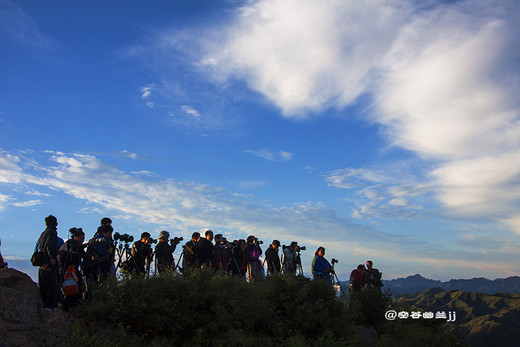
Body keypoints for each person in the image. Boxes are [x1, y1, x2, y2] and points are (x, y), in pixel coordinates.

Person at [57, 227, 86, 311]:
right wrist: (85, 245)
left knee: (78, 288)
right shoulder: (70, 243)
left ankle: (76, 307)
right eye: (81, 238)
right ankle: (67, 307)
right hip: (65, 270)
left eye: (83, 238)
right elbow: (72, 250)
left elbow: (84, 255)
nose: (83, 240)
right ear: (75, 237)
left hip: (72, 270)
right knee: (69, 288)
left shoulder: (78, 246)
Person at [38, 215, 59, 310]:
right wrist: (52, 257)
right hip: (49, 261)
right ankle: (50, 305)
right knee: (52, 284)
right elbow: (49, 245)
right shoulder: (52, 232)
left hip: (42, 262)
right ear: (55, 223)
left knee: (43, 284)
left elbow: (41, 246)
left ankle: (45, 304)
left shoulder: (43, 233)